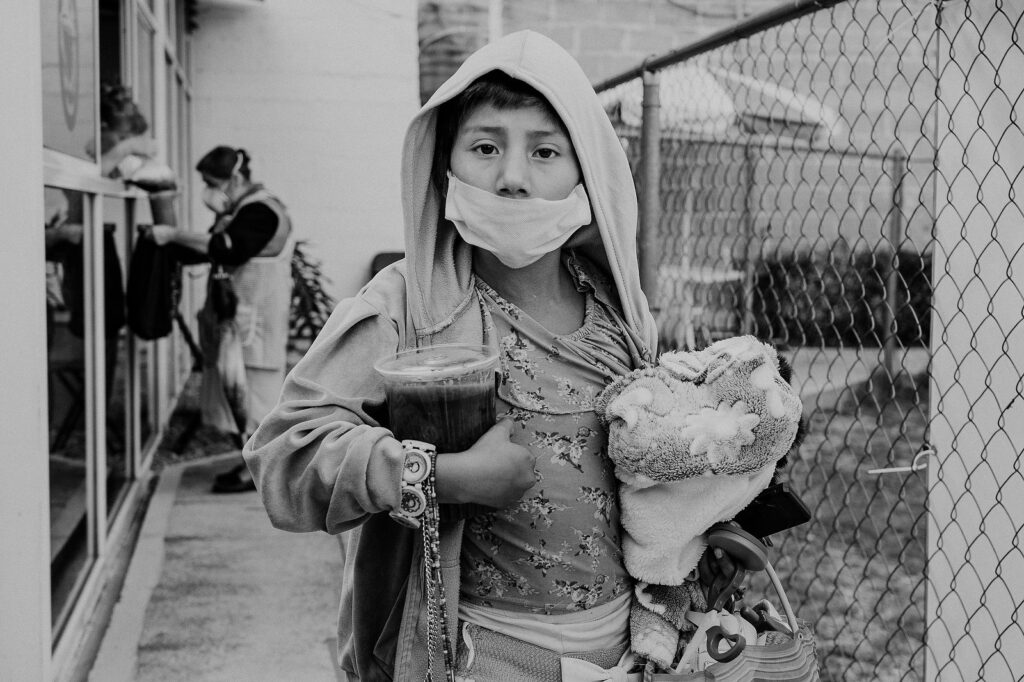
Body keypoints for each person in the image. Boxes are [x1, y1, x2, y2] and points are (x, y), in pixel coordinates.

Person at [245, 31, 733, 681]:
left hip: (626, 652)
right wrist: (438, 477)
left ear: (585, 168)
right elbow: (286, 454)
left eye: (544, 151)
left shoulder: (622, 313)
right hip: (476, 653)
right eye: (485, 147)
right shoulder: (404, 310)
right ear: (444, 164)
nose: (511, 177)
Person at [151, 147, 294, 493]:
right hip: (239, 324)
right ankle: (251, 463)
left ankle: (265, 471)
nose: (207, 190)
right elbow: (210, 248)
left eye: (211, 182)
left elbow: (227, 248)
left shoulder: (261, 210)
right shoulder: (242, 210)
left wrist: (172, 235)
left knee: (257, 400)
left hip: (254, 324)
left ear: (236, 178)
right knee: (237, 399)